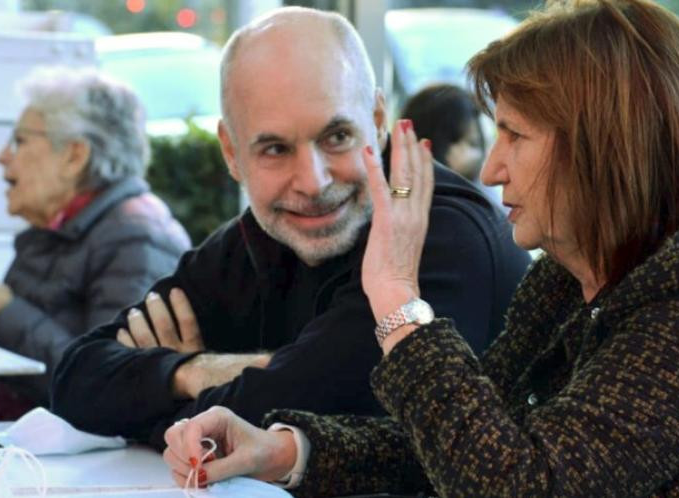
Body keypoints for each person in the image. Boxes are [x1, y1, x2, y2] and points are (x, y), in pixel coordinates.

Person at [161, 0, 679, 496]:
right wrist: (280, 449)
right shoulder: (574, 277)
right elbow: (457, 440)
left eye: (514, 136)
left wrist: (396, 298)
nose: (492, 168)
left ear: (602, 146)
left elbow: (519, 485)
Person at [51, 5, 530, 455]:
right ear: (232, 153)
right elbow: (76, 379)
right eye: (275, 150)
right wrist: (197, 371)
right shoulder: (263, 234)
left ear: (379, 121)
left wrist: (164, 400)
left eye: (337, 137)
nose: (313, 181)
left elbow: (299, 415)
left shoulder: (443, 236)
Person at [0, 67, 190, 415]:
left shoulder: (137, 237)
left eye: (20, 141)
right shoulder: (57, 226)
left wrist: (3, 312)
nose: (2, 156)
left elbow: (108, 379)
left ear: (74, 156)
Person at [401, 83, 502, 208]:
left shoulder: (483, 192)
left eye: (491, 143)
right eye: (473, 144)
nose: (488, 155)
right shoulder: (402, 191)